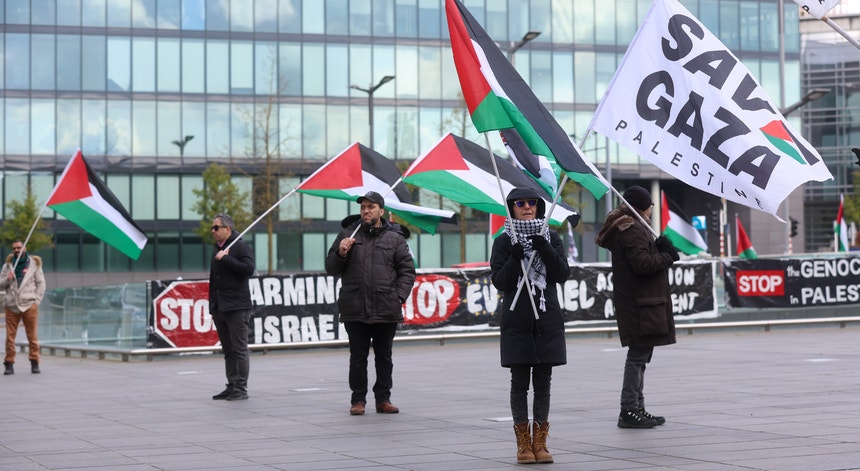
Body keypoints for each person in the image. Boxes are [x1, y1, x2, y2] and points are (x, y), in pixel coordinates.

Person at [489, 187, 570, 464]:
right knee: (519, 383)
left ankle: (541, 443)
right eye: (520, 203)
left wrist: (544, 249)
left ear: (539, 207)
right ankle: (523, 444)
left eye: (532, 202)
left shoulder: (551, 237)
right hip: (517, 321)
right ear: (511, 208)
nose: (527, 207)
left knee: (543, 384)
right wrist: (515, 257)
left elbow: (562, 273)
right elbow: (500, 281)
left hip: (546, 321)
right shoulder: (503, 241)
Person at [595, 185, 680, 429]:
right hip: (640, 304)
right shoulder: (631, 228)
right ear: (643, 207)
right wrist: (668, 255)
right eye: (650, 206)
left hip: (642, 303)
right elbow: (642, 264)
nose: (652, 210)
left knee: (641, 356)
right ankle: (629, 409)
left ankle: (637, 408)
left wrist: (659, 249)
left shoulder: (632, 226)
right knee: (637, 356)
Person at [325, 191, 416, 416]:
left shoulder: (395, 238)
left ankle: (383, 399)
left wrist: (398, 297)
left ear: (381, 211)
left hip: (386, 307)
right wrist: (341, 253)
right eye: (363, 207)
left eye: (371, 207)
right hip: (355, 306)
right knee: (358, 357)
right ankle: (358, 400)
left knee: (384, 356)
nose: (366, 211)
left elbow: (407, 271)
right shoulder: (347, 234)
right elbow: (331, 268)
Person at [208, 213, 256, 401]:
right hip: (220, 307)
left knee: (239, 349)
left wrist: (226, 259)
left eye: (216, 227)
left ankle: (241, 388)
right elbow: (213, 280)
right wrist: (212, 306)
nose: (212, 231)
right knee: (228, 350)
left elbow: (248, 269)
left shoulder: (240, 246)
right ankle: (232, 384)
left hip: (237, 307)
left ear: (227, 229)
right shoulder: (217, 249)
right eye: (212, 228)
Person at [1, 241, 46, 375]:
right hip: (11, 305)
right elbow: (1, 285)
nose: (16, 250)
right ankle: (9, 363)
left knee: (32, 337)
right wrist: (7, 279)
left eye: (19, 247)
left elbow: (41, 284)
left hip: (29, 305)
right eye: (14, 248)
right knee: (10, 338)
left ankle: (34, 362)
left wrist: (36, 301)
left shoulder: (34, 264)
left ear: (24, 248)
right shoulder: (7, 265)